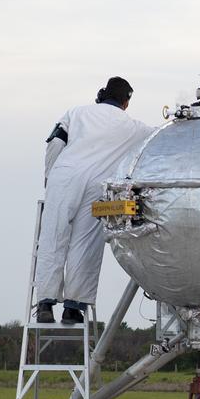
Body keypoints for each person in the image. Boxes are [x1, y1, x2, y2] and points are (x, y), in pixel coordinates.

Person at [35, 77, 156, 324]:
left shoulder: (77, 112)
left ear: (102, 93)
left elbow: (55, 143)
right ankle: (73, 308)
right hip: (97, 187)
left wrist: (50, 177)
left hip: (65, 176)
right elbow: (158, 137)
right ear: (126, 102)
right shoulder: (133, 127)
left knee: (53, 237)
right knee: (86, 244)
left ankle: (46, 304)